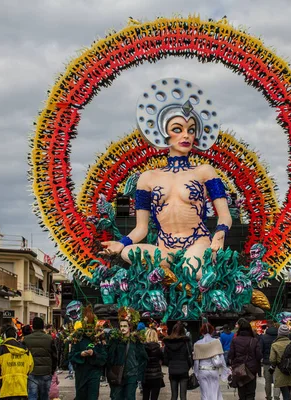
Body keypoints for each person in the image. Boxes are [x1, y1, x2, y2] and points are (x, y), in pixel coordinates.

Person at [99, 78, 232, 280]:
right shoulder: (148, 178)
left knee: (189, 269)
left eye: (191, 130)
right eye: (178, 129)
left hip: (198, 244)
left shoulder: (205, 172)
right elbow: (141, 228)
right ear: (164, 133)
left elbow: (225, 215)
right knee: (128, 253)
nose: (185, 135)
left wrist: (220, 233)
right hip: (164, 251)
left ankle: (186, 284)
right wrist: (121, 244)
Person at [107, 307, 147, 400]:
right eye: (121, 326)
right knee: (117, 397)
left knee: (130, 397)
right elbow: (110, 357)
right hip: (118, 374)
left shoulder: (136, 341)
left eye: (125, 326)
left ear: (130, 327)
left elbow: (143, 358)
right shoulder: (116, 340)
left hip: (132, 375)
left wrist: (138, 374)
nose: (122, 328)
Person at [0, 324, 35, 400]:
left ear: (4, 336)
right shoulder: (26, 351)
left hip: (4, 390)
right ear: (16, 336)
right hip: (22, 390)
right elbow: (31, 367)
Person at [69, 321, 107, 400]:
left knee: (93, 397)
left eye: (90, 330)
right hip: (81, 375)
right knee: (81, 396)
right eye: (86, 330)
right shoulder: (78, 340)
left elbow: (104, 358)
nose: (88, 333)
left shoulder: (98, 341)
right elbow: (71, 357)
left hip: (94, 374)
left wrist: (94, 354)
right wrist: (80, 354)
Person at [228, 318, 263, 400]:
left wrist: (232, 365)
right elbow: (259, 356)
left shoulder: (235, 340)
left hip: (239, 370)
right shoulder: (254, 340)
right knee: (250, 394)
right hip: (252, 370)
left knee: (242, 394)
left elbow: (230, 355)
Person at [193, 322, 229, 400]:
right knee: (215, 393)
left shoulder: (197, 344)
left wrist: (196, 374)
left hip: (202, 371)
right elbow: (222, 358)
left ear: (202, 332)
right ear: (212, 331)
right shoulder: (216, 342)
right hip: (214, 370)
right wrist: (224, 372)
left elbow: (196, 362)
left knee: (205, 395)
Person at [24, 317, 58, 400]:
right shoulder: (49, 338)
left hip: (31, 372)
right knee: (44, 395)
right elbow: (54, 356)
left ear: (33, 326)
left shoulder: (26, 339)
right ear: (43, 326)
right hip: (46, 372)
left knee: (32, 394)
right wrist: (52, 370)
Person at [163, 322, 193, 400]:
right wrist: (188, 366)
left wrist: (170, 364)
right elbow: (190, 356)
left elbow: (165, 359)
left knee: (174, 395)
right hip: (183, 369)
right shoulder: (186, 342)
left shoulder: (168, 343)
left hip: (172, 370)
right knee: (183, 396)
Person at [270, 324, 291, 400]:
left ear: (279, 333)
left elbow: (272, 359)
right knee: (288, 392)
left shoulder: (275, 345)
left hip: (280, 372)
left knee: (285, 394)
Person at [143, 328, 164, 400]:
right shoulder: (158, 348)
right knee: (154, 397)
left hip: (145, 375)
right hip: (156, 375)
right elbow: (163, 359)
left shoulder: (143, 348)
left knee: (145, 396)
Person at [260, 324, 280, 400]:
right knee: (276, 381)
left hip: (267, 362)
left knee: (267, 381)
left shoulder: (263, 337)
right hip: (277, 363)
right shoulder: (278, 338)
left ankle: (268, 397)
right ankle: (276, 397)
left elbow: (260, 350)